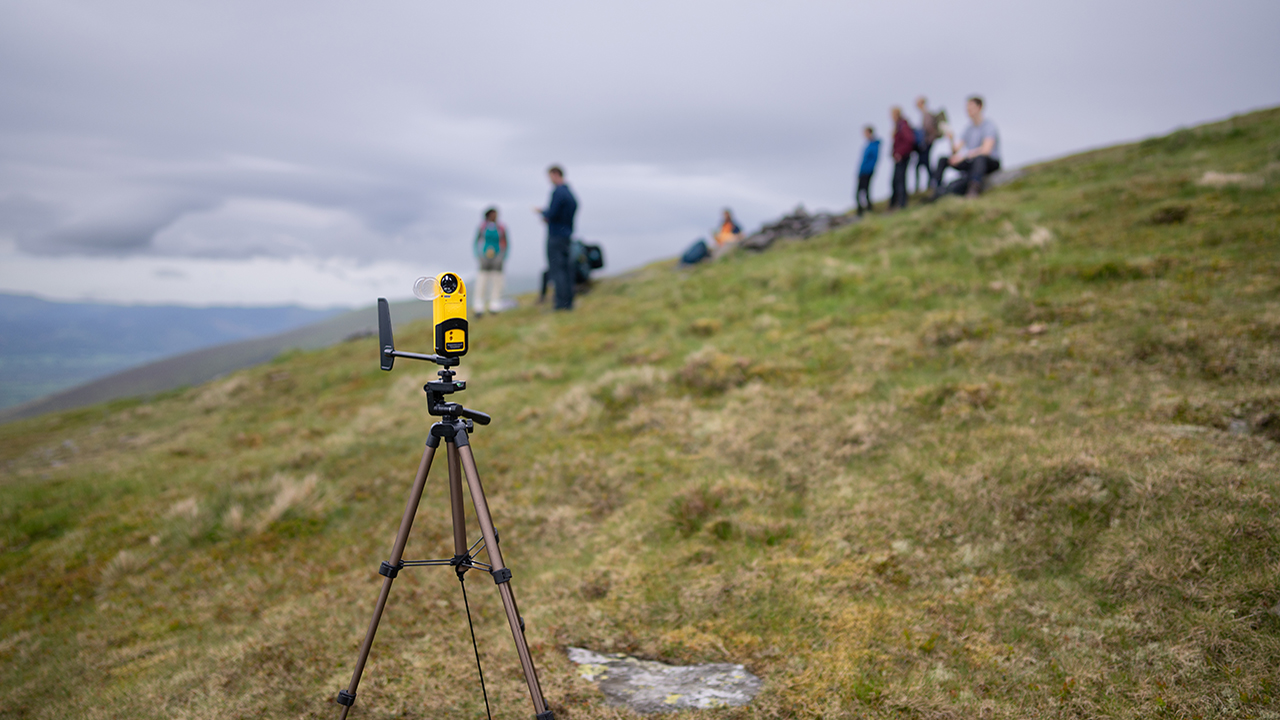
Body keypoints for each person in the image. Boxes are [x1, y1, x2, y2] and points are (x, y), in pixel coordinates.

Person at [933, 95, 1001, 199]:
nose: (968, 110)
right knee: (943, 159)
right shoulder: (968, 129)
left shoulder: (989, 126)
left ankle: (973, 190)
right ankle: (937, 190)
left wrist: (964, 156)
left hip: (989, 162)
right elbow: (955, 151)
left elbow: (986, 150)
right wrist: (951, 139)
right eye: (967, 108)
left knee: (980, 158)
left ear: (979, 107)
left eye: (971, 107)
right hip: (972, 161)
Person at [534, 165, 578, 310]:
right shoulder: (569, 192)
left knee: (557, 269)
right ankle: (568, 302)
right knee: (566, 269)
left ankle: (560, 304)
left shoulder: (558, 192)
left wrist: (544, 214)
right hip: (567, 235)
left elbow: (552, 213)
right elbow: (574, 207)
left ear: (555, 174)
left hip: (555, 236)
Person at [472, 207, 507, 317]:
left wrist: (502, 256)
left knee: (497, 281)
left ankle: (495, 304)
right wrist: (479, 256)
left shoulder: (501, 228)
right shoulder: (482, 227)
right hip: (484, 258)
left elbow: (506, 243)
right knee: (482, 281)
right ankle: (479, 305)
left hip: (497, 258)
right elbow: (476, 242)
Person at [889, 107, 915, 210]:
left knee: (900, 180)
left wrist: (900, 153)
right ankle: (896, 204)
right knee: (896, 181)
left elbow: (909, 140)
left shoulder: (903, 125)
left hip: (903, 157)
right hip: (900, 157)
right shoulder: (899, 126)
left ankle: (902, 204)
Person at [914, 96, 941, 193]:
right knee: (925, 164)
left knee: (924, 164)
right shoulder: (925, 114)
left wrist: (923, 137)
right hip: (927, 142)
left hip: (927, 143)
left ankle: (933, 182)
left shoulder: (927, 115)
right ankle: (932, 182)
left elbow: (928, 129)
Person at [855, 125, 880, 216]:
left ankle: (863, 212)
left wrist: (867, 170)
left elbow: (872, 160)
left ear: (870, 133)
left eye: (865, 132)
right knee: (863, 192)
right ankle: (865, 210)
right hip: (863, 171)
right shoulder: (869, 144)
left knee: (862, 192)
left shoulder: (873, 145)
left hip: (866, 171)